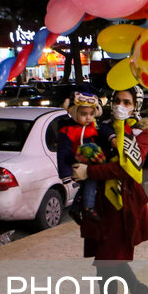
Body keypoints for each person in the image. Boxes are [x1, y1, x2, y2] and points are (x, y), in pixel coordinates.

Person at [73, 86, 148, 294]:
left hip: (123, 209)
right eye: (117, 100)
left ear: (135, 105)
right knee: (110, 262)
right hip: (99, 207)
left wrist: (90, 172)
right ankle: (140, 290)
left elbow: (126, 169)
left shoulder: (142, 132)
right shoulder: (102, 127)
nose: (120, 105)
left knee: (105, 268)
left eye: (127, 101)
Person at [58, 89, 111, 221]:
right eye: (83, 114)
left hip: (90, 158)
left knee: (86, 185)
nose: (88, 117)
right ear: (74, 113)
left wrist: (112, 137)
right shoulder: (68, 130)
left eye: (91, 114)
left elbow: (104, 129)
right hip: (76, 160)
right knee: (91, 181)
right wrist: (65, 175)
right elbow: (62, 152)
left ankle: (75, 208)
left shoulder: (93, 125)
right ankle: (88, 208)